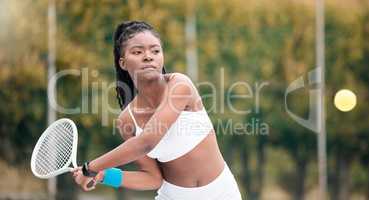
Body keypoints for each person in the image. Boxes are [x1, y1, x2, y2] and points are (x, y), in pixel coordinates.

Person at [72, 20, 242, 200]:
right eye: (137, 52)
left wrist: (90, 168)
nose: (148, 56)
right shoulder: (127, 120)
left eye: (155, 51)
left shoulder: (180, 85)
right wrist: (103, 175)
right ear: (122, 63)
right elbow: (152, 179)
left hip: (222, 193)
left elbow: (147, 142)